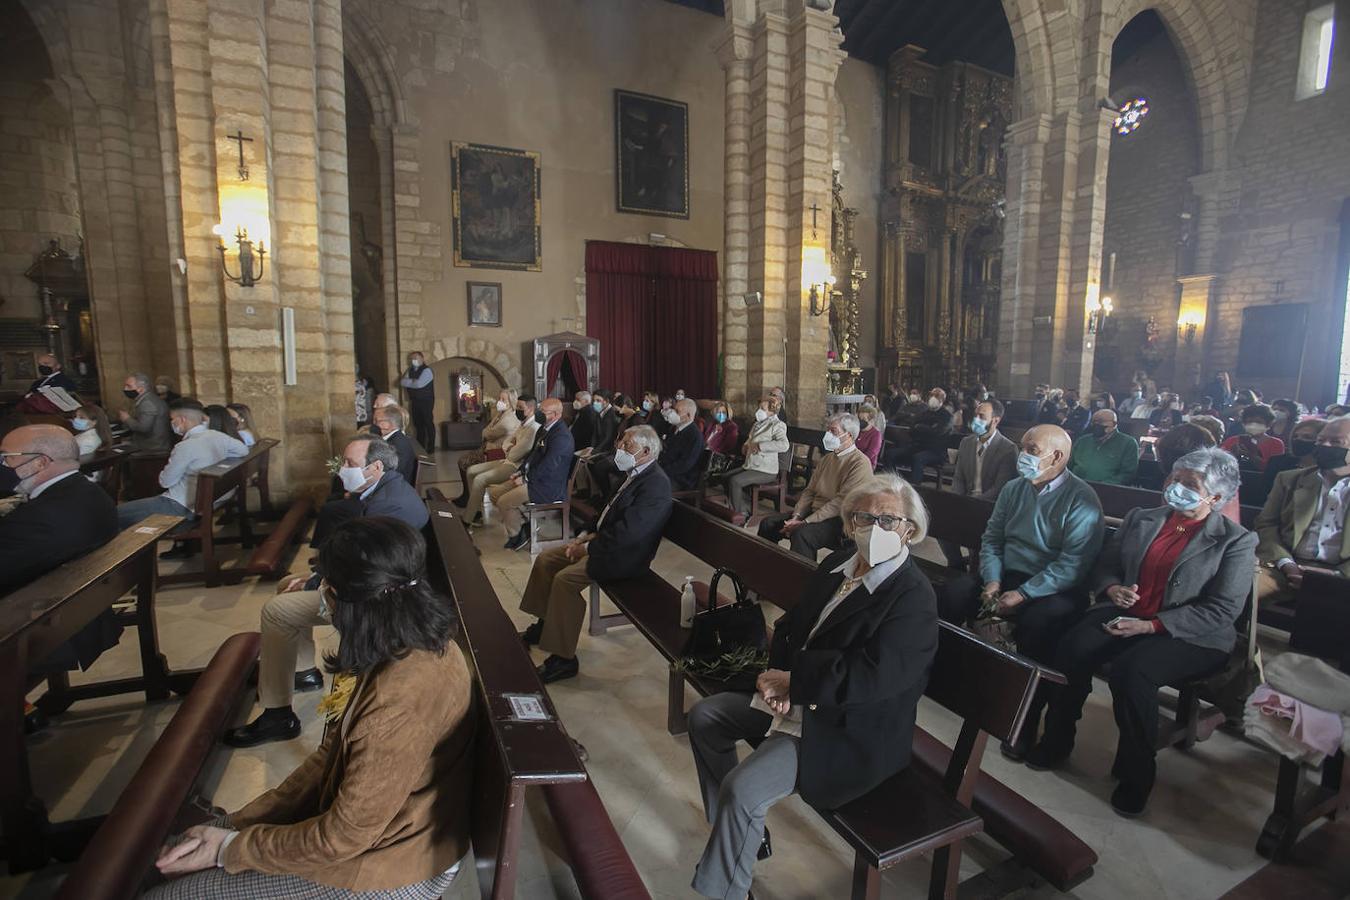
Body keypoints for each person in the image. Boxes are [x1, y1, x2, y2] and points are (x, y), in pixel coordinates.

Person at [152, 518, 472, 900]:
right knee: (180, 849)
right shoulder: (409, 641)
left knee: (171, 897)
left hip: (392, 866)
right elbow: (330, 758)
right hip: (385, 836)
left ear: (348, 602)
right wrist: (237, 823)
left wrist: (230, 848)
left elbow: (344, 836)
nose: (321, 594)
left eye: (327, 587)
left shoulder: (397, 702)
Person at [687, 474, 938, 899]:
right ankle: (740, 832)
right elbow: (793, 628)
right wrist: (776, 679)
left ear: (909, 531)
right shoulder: (837, 566)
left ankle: (725, 890)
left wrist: (796, 683)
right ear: (849, 521)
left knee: (743, 788)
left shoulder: (912, 597)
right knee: (706, 717)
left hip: (848, 726)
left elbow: (873, 676)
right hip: (802, 700)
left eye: (888, 521)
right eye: (864, 517)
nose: (874, 529)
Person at [1023, 448, 1254, 817]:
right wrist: (1113, 588)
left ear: (1214, 496)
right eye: (1174, 479)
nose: (1176, 488)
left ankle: (1137, 772)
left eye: (1189, 484)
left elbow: (1223, 609)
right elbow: (1106, 565)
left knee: (1133, 673)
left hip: (1189, 633)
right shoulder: (1143, 518)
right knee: (1071, 648)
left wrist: (1152, 625)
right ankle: (1056, 739)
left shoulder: (1235, 541)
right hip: (1127, 611)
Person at [224, 436, 428, 747]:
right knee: (285, 585)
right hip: (374, 584)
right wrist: (319, 576)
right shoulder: (386, 489)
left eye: (349, 463)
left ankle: (278, 715)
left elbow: (366, 569)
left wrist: (317, 583)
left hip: (377, 603)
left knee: (277, 611)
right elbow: (362, 557)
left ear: (375, 466)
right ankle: (304, 671)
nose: (343, 469)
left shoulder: (388, 505)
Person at [936, 424, 1105, 757]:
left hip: (1054, 586)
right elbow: (993, 538)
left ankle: (1021, 719)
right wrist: (994, 581)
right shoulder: (1015, 489)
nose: (1022, 455)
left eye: (1032, 450)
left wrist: (1025, 593)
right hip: (1008, 575)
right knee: (954, 595)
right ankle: (951, 682)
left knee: (1039, 625)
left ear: (1057, 456)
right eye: (1023, 447)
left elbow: (1073, 564)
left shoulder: (1081, 499)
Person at [519, 426, 673, 683]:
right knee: (546, 560)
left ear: (646, 452)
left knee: (565, 581)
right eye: (621, 440)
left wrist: (588, 547)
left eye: (628, 444)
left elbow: (629, 534)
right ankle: (545, 623)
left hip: (626, 557)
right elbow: (606, 512)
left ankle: (563, 658)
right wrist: (583, 536)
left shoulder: (656, 485)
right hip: (605, 543)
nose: (620, 447)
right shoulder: (633, 473)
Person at [0, 425, 118, 595]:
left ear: (40, 463)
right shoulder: (92, 493)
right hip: (83, 599)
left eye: (6, 457)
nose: (3, 464)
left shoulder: (35, 520)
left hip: (33, 611)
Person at [1254, 416, 1350, 606]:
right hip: (1286, 567)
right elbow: (1266, 524)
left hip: (1342, 575)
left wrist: (1336, 575)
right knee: (1236, 586)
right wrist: (1286, 564)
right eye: (1321, 440)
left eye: (1336, 442)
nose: (1326, 446)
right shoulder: (1289, 479)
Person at [116, 401, 248, 531]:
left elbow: (165, 482)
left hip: (179, 506)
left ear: (182, 420)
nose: (171, 423)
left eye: (172, 419)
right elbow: (244, 450)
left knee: (113, 514)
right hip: (208, 502)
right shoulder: (219, 436)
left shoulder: (184, 446)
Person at [757, 413, 873, 558]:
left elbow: (841, 503)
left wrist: (805, 522)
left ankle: (803, 578)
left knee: (802, 534)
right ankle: (766, 568)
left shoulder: (860, 463)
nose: (828, 435)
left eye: (833, 431)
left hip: (840, 520)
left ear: (849, 435)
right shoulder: (827, 459)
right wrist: (797, 515)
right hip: (814, 512)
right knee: (768, 524)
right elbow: (810, 491)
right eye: (828, 430)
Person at [940, 399, 1019, 567]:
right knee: (942, 526)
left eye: (982, 416)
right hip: (966, 501)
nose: (975, 419)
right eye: (975, 415)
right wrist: (955, 501)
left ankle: (976, 568)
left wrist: (972, 505)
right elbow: (959, 478)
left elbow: (999, 488)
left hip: (990, 507)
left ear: (995, 420)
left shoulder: (1008, 449)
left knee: (976, 543)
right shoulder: (966, 443)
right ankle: (956, 566)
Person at [491, 398, 573, 551]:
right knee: (495, 494)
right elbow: (532, 455)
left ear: (555, 415)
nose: (538, 414)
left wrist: (526, 478)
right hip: (536, 479)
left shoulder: (562, 437)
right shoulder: (544, 428)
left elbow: (549, 466)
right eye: (539, 410)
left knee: (504, 502)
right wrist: (520, 472)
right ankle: (524, 523)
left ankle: (517, 535)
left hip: (548, 486)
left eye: (543, 412)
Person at [462, 395, 541, 525]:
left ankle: (468, 519)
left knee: (480, 479)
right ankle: (476, 511)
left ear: (531, 408)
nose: (517, 410)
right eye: (517, 407)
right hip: (507, 460)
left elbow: (515, 455)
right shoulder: (523, 424)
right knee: (471, 471)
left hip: (516, 467)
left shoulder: (534, 428)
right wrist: (511, 447)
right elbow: (506, 443)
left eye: (521, 407)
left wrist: (511, 448)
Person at [724, 396, 790, 519]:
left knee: (735, 481)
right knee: (725, 477)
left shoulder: (778, 425)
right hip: (751, 465)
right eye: (759, 407)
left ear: (772, 410)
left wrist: (761, 446)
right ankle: (745, 507)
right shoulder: (757, 424)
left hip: (766, 470)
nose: (759, 410)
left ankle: (739, 514)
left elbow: (784, 445)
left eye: (762, 408)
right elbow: (750, 439)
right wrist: (745, 446)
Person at [452, 389, 519, 501]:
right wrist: (486, 432)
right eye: (499, 398)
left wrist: (486, 432)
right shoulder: (501, 414)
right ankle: (467, 494)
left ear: (511, 402)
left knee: (464, 462)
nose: (499, 401)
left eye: (503, 399)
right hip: (488, 447)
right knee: (463, 461)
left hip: (495, 452)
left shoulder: (509, 419)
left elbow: (488, 434)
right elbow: (486, 429)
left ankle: (469, 497)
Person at [884, 387, 954, 485]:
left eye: (936, 396)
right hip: (917, 446)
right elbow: (912, 428)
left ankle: (915, 487)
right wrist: (926, 428)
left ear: (942, 399)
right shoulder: (924, 413)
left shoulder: (947, 416)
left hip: (935, 451)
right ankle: (891, 482)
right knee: (889, 454)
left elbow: (938, 432)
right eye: (931, 395)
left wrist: (921, 427)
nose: (933, 398)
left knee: (918, 458)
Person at [1068, 409, 1140, 485]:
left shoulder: (1128, 443)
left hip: (1108, 489)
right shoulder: (1083, 441)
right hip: (1076, 486)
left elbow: (1127, 474)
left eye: (1102, 424)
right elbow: (1069, 465)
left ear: (1114, 424)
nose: (1097, 426)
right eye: (1094, 423)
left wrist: (1104, 485)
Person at [1262, 416, 1325, 498]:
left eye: (1307, 437)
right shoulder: (1277, 462)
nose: (1298, 440)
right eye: (1295, 436)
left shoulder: (1331, 469)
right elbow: (1266, 492)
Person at [1221, 404, 1285, 472]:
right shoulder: (1232, 441)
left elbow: (1274, 468)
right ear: (1243, 423)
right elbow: (1220, 464)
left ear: (1269, 424)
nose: (1253, 425)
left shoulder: (1276, 444)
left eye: (1259, 422)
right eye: (1249, 422)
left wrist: (1252, 456)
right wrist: (1231, 455)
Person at [118, 372, 172, 452]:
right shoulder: (148, 398)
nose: (125, 389)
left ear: (141, 388)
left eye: (129, 386)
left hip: (153, 447)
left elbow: (144, 428)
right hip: (153, 443)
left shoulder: (147, 403)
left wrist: (126, 418)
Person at [660, 398, 706, 491]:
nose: (672, 413)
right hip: (668, 472)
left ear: (688, 415)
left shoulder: (694, 435)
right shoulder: (674, 428)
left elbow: (685, 465)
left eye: (677, 411)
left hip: (682, 479)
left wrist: (660, 471)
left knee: (649, 485)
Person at [398, 350, 436, 452]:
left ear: (422, 359)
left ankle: (431, 447)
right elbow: (402, 382)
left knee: (428, 423)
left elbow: (419, 384)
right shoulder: (410, 370)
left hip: (426, 401)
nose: (414, 360)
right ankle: (421, 447)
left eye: (416, 358)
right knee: (418, 425)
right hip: (415, 401)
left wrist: (410, 382)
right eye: (412, 359)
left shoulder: (427, 370)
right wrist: (413, 382)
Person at [373, 404, 418, 486]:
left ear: (388, 424)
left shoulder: (398, 444)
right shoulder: (392, 439)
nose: (373, 424)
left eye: (377, 421)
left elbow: (390, 474)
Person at [854, 404, 883, 468]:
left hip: (866, 464)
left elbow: (871, 453)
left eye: (864, 419)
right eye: (859, 418)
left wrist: (855, 461)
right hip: (853, 461)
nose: (860, 421)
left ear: (871, 420)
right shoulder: (856, 430)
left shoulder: (876, 434)